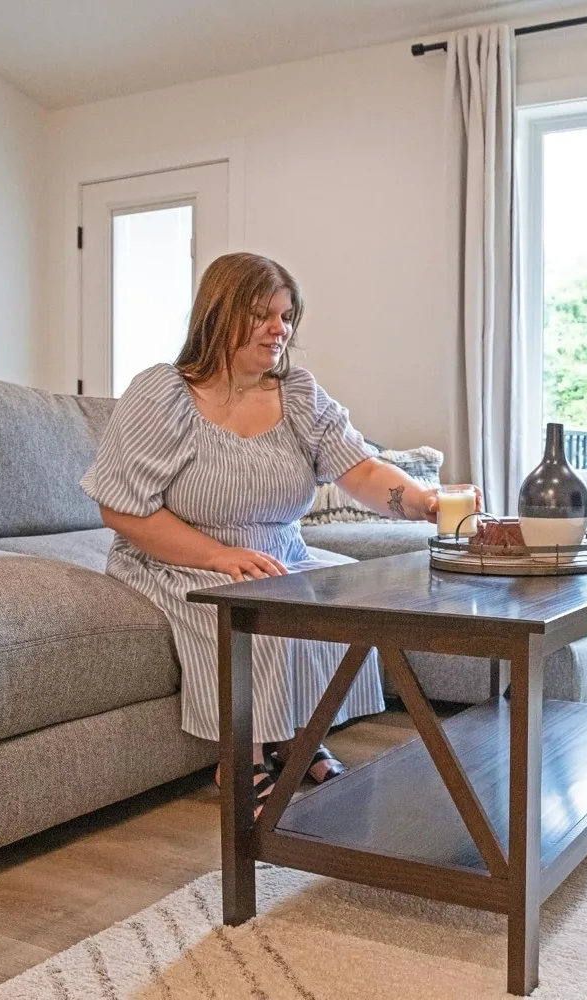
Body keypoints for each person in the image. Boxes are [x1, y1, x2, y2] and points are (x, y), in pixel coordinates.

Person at [82, 252, 443, 817]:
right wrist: (219, 555)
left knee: (344, 595)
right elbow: (122, 510)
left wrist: (420, 501)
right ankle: (242, 758)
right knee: (258, 613)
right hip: (177, 555)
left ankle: (298, 736)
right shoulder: (163, 394)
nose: (281, 329)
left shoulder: (298, 394)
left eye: (287, 315)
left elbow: (362, 469)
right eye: (263, 315)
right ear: (218, 315)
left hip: (274, 550)